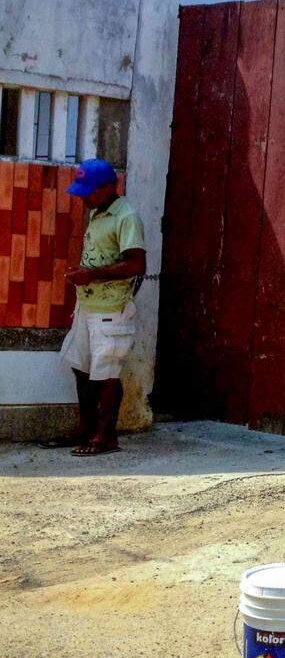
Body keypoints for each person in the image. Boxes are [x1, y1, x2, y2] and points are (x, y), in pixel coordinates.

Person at [43, 159, 145, 457]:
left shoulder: (126, 217)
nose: (84, 198)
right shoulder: (98, 212)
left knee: (107, 373)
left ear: (110, 187)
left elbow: (137, 264)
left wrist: (92, 274)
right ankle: (87, 427)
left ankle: (106, 436)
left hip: (111, 309)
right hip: (87, 306)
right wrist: (86, 274)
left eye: (90, 192)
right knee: (81, 368)